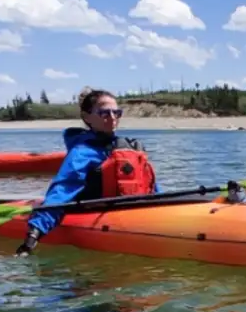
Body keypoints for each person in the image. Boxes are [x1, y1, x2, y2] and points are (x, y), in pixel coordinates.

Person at [15, 88, 160, 257]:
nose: (112, 118)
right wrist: (31, 238)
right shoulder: (82, 153)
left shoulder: (130, 148)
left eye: (117, 112)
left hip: (137, 211)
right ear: (87, 117)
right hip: (96, 213)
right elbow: (61, 192)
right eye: (104, 113)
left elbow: (152, 187)